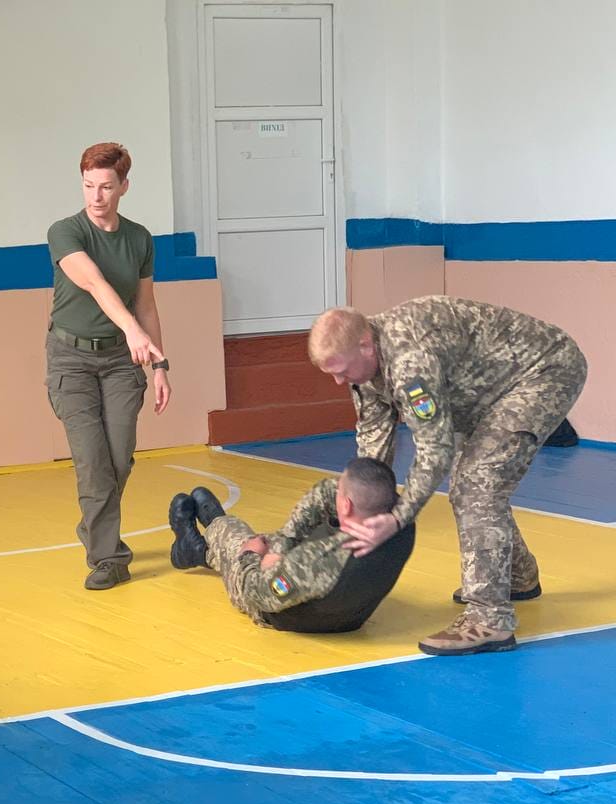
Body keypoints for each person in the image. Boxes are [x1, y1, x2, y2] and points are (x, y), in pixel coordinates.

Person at [308, 297, 587, 655]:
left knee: (476, 488)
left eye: (342, 371)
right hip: (486, 386)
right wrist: (359, 510)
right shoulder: (363, 359)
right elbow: (374, 447)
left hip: (543, 372)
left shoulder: (411, 362)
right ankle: (517, 577)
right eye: (330, 372)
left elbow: (434, 451)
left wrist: (396, 518)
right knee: (470, 485)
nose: (337, 381)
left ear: (365, 344)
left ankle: (489, 620)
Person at [46, 142, 171, 590]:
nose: (95, 196)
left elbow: (147, 304)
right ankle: (108, 556)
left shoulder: (139, 238)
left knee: (118, 458)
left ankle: (93, 527)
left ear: (123, 187)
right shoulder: (65, 231)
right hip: (70, 360)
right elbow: (95, 283)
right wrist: (133, 331)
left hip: (120, 362)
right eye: (87, 185)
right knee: (93, 461)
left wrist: (159, 364)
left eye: (105, 187)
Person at [170, 459, 415, 632]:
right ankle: (200, 549)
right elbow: (325, 492)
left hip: (282, 614)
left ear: (347, 505)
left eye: (340, 491)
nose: (334, 490)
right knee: (274, 542)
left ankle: (203, 543)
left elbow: (256, 593)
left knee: (244, 544)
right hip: (351, 611)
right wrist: (284, 545)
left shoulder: (315, 561)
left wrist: (250, 557)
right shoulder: (401, 523)